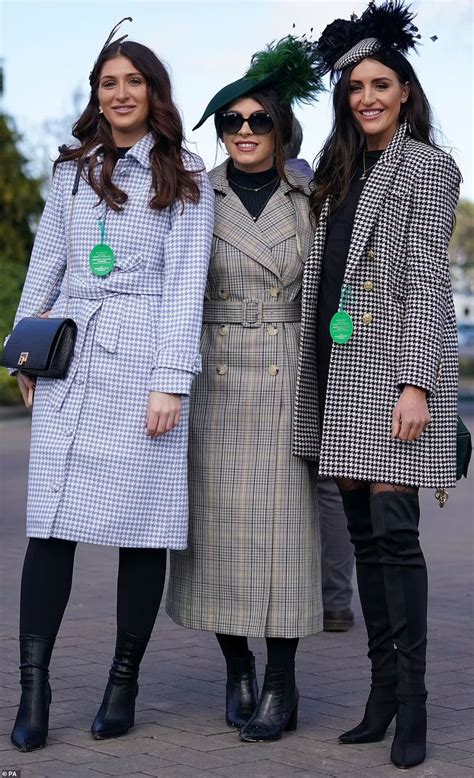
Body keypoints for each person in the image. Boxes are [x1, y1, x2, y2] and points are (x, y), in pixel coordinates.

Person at [7, 20, 213, 752]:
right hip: (73, 358)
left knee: (141, 529)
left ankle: (123, 680)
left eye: (132, 81)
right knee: (50, 526)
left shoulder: (183, 173)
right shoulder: (72, 171)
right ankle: (35, 687)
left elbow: (186, 289)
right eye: (108, 83)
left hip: (143, 367)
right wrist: (25, 354)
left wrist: (169, 382)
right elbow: (48, 266)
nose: (120, 93)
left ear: (152, 92)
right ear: (97, 97)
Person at [294, 1, 461, 769]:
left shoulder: (428, 165)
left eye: (380, 83)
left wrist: (420, 383)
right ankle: (382, 694)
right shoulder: (336, 168)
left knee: (396, 538)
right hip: (335, 367)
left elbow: (429, 281)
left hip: (390, 370)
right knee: (363, 540)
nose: (366, 96)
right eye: (355, 85)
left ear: (405, 90)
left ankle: (416, 707)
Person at [166, 36, 324, 742]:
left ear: (282, 127)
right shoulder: (197, 195)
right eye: (233, 121)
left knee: (289, 536)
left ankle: (282, 679)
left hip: (288, 371)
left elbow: (337, 289)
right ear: (219, 130)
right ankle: (236, 668)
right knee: (218, 536)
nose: (246, 132)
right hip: (218, 374)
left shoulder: (310, 195)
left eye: (260, 120)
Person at [284, 119, 355, 632]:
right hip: (330, 345)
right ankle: (335, 599)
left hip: (287, 348)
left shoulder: (300, 192)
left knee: (283, 478)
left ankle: (295, 593)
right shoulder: (326, 188)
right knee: (330, 486)